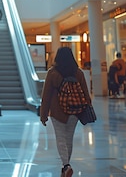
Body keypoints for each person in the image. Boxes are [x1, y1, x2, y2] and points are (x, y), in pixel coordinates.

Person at [40, 47, 91, 177]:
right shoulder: (78, 72)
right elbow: (85, 92)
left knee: (61, 138)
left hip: (58, 111)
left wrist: (43, 114)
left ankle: (66, 165)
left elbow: (46, 95)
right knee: (69, 139)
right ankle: (66, 167)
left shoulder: (52, 73)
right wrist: (88, 108)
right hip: (75, 110)